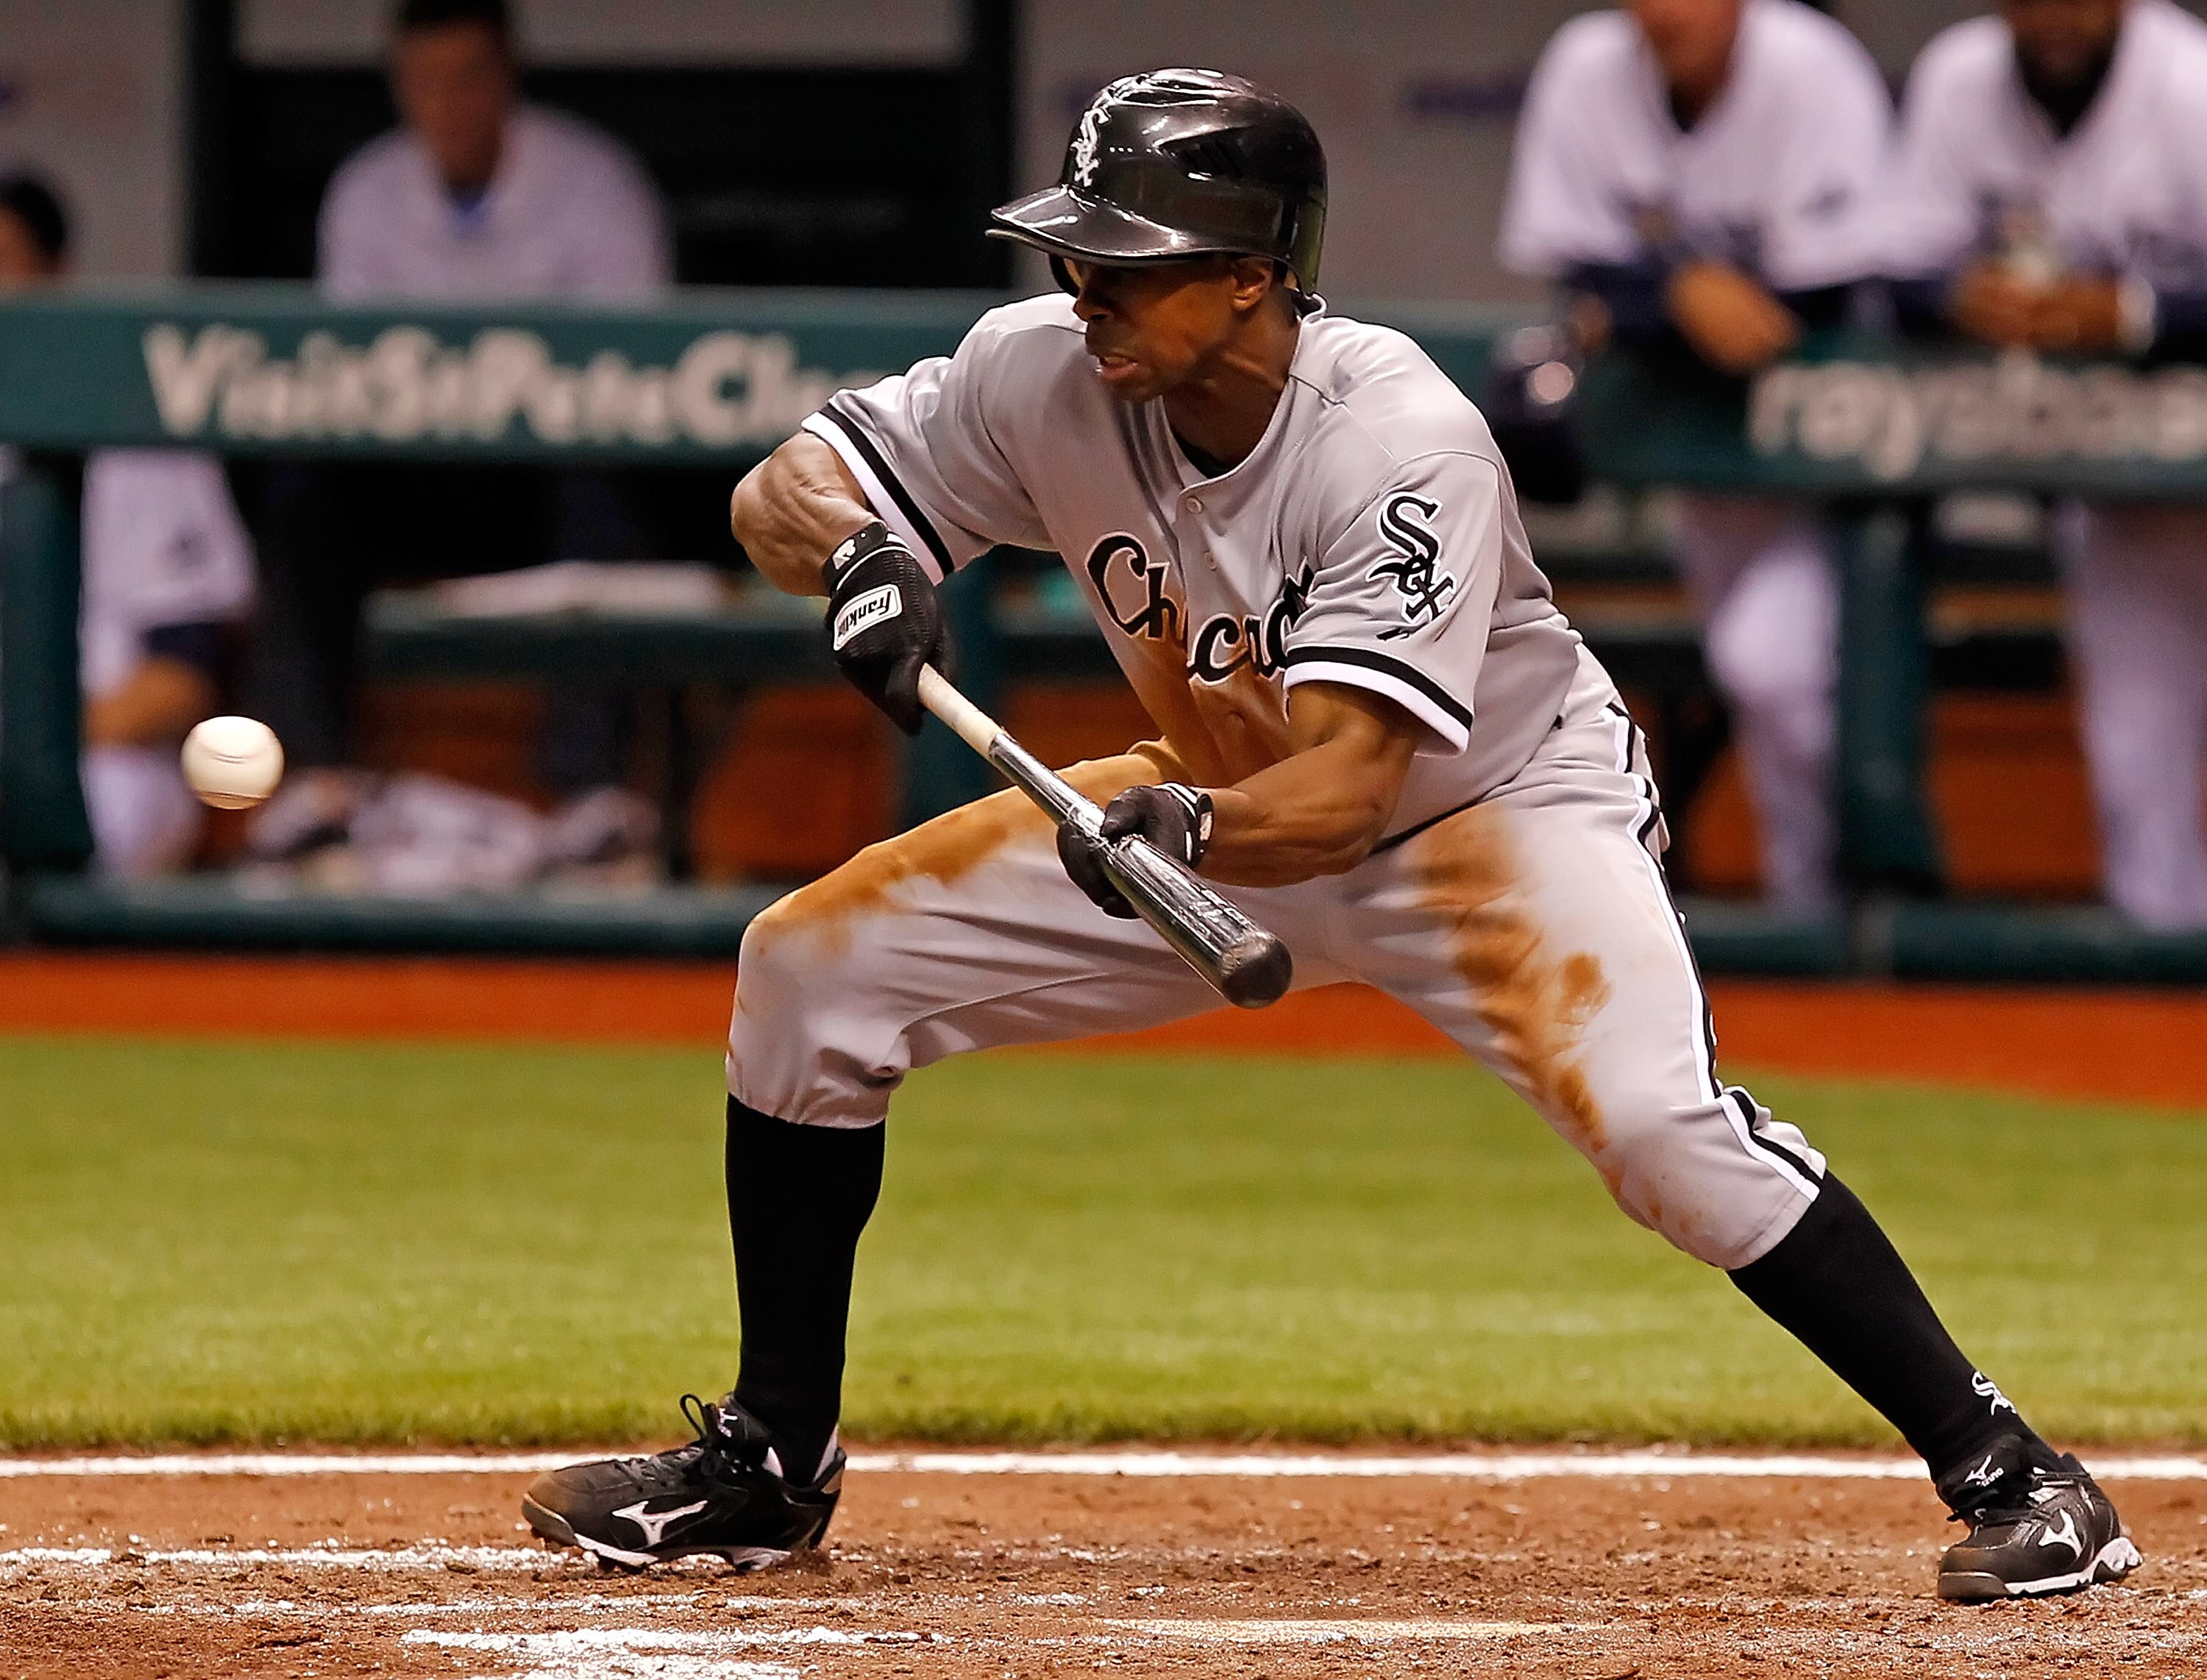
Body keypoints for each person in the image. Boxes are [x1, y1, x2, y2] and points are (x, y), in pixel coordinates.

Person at [523, 69, 2138, 1604]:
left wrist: (1184, 821)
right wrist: (860, 549)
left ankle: (2019, 1472)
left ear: (1253, 277)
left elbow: (1349, 791)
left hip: (1489, 815)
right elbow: (777, 486)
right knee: (808, 974)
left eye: (1131, 263)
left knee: (1659, 1129)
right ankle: (771, 1461)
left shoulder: (1397, 436)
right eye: (1078, 253)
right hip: (1206, 793)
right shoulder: (1046, 368)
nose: (1086, 290)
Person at [246, 0, 670, 859]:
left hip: (552, 479)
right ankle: (316, 779)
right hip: (419, 482)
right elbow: (349, 377)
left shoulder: (591, 179)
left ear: (507, 75)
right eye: (426, 80)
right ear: (400, 84)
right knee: (305, 494)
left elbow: (638, 379)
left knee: (608, 490)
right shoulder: (368, 187)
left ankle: (594, 793)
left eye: (469, 77)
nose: (449, 102)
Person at [1499, 0, 1893, 915]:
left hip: (1833, 463)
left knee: (1775, 667)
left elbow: (1824, 292)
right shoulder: (1590, 66)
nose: (1668, 13)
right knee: (1766, 676)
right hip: (1703, 468)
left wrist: (1649, 297)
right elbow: (1573, 263)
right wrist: (1681, 290)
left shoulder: (1809, 65)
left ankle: (1835, 906)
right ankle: (1818, 906)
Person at [1884, 0, 2207, 930]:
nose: (2054, 16)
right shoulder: (1960, 79)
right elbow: (1891, 261)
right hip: (2121, 492)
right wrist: (1956, 294)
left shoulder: (2186, 82)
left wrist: (2134, 315)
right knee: (2136, 757)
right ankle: (2161, 1035)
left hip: (2179, 445)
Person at [0, 173, 255, 879]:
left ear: (54, 277)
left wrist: (35, 743)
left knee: (108, 821)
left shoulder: (138, 435)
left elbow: (185, 677)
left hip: (105, 757)